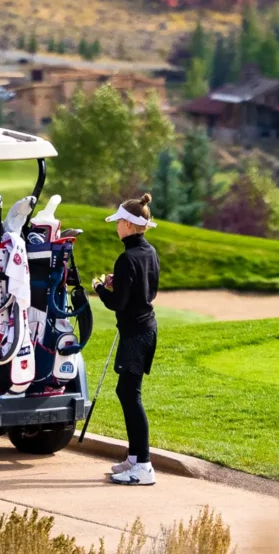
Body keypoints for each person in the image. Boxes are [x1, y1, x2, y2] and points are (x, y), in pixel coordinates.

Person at [95, 193, 160, 485]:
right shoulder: (149, 251)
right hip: (146, 329)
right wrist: (119, 282)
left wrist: (100, 288)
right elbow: (148, 289)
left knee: (130, 395)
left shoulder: (126, 258)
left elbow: (117, 303)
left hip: (135, 334)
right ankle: (134, 458)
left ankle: (143, 466)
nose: (117, 226)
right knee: (126, 391)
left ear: (129, 225)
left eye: (119, 222)